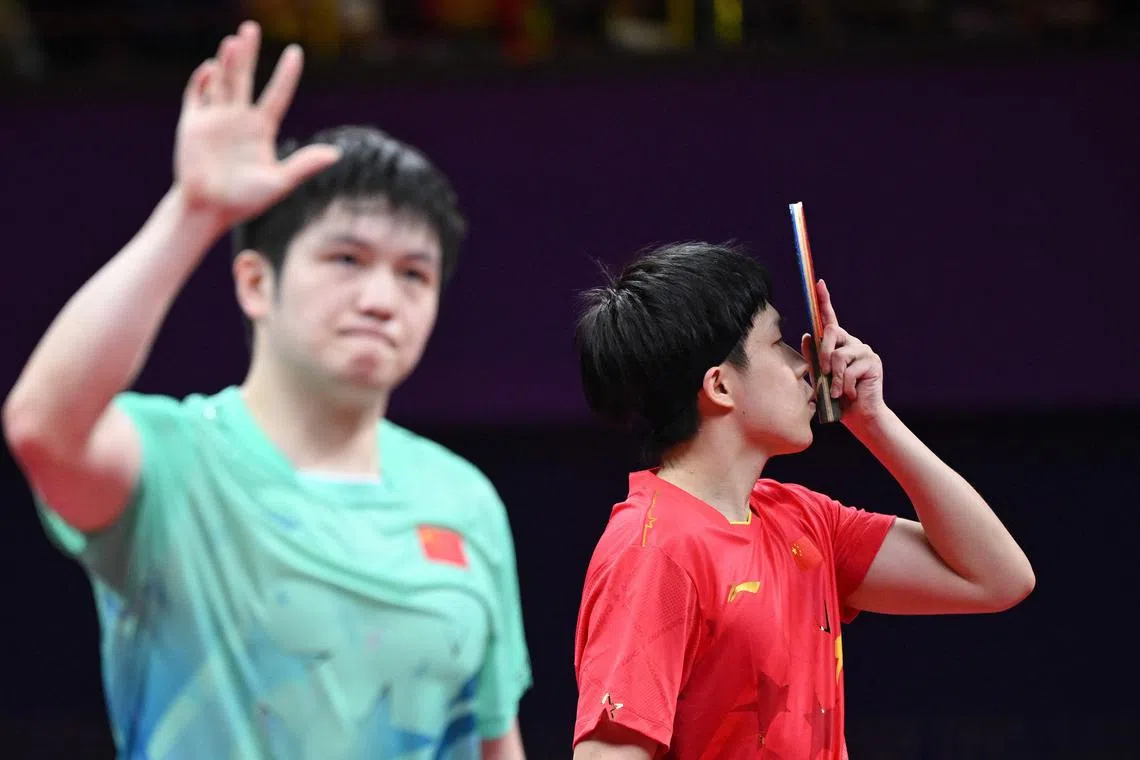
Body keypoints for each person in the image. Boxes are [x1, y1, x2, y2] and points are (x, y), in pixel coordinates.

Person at [2, 20, 531, 760]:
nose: (383, 297)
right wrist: (195, 210)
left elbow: (489, 741)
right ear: (256, 281)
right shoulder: (176, 464)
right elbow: (42, 427)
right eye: (347, 258)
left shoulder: (465, 501)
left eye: (414, 273)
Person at [569, 242, 1034, 759]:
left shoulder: (804, 523)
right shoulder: (652, 552)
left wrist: (874, 421)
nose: (805, 365)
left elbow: (997, 578)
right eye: (781, 343)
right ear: (720, 386)